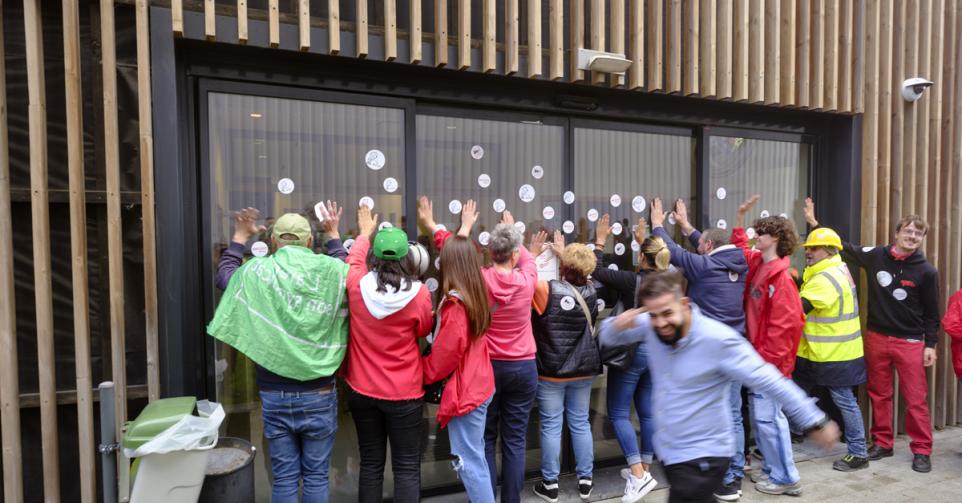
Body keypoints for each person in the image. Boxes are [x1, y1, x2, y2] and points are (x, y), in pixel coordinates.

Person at [598, 271, 840, 503]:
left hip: (704, 455)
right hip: (671, 451)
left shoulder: (717, 339)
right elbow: (607, 337)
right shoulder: (653, 324)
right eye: (653, 315)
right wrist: (618, 324)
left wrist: (814, 421)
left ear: (683, 303)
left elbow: (767, 378)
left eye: (666, 313)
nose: (661, 323)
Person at [208, 203, 349, 503]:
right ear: (310, 242)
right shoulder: (332, 270)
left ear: (273, 241)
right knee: (316, 476)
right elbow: (353, 276)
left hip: (275, 392)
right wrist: (335, 237)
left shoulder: (259, 271)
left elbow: (225, 278)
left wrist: (238, 237)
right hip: (320, 392)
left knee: (284, 479)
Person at [418, 197, 540, 503]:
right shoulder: (526, 280)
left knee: (483, 439)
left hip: (487, 367)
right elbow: (527, 260)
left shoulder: (479, 282)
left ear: (488, 253)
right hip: (523, 367)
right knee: (514, 440)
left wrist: (443, 227)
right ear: (512, 254)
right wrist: (512, 231)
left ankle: (483, 495)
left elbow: (460, 257)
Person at [805, 198, 940, 473]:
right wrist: (815, 225)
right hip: (877, 337)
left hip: (911, 342)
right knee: (879, 394)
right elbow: (844, 248)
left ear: (922, 238)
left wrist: (931, 344)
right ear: (897, 233)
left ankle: (922, 450)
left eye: (918, 233)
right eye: (908, 231)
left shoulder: (927, 271)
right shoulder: (876, 255)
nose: (912, 236)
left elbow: (932, 312)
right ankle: (882, 443)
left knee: (916, 399)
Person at [649, 197, 750, 500]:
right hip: (735, 345)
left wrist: (658, 224)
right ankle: (734, 475)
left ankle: (727, 480)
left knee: (721, 411)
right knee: (732, 412)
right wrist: (687, 226)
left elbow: (673, 251)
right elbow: (706, 245)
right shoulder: (740, 262)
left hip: (709, 351)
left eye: (701, 244)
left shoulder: (704, 266)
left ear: (706, 247)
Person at [343, 204, 434, 502]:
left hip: (362, 389)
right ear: (408, 259)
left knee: (371, 464)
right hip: (404, 393)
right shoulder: (419, 293)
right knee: (407, 467)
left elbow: (354, 260)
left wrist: (364, 233)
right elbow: (423, 330)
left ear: (375, 256)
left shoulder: (356, 285)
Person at [731, 197, 806, 496]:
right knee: (766, 419)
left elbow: (786, 328)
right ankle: (778, 472)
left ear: (774, 237)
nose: (755, 236)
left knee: (769, 420)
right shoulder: (760, 265)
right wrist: (739, 216)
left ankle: (786, 477)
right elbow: (740, 249)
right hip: (762, 361)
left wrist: (766, 365)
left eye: (760, 232)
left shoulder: (781, 279)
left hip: (768, 365)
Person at [592, 214, 668, 502]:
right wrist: (641, 244)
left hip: (632, 351)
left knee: (619, 413)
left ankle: (637, 474)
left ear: (644, 258)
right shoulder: (668, 281)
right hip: (656, 352)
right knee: (647, 412)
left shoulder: (631, 281)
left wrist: (600, 239)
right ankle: (646, 468)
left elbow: (596, 270)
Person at [421, 231, 496, 503]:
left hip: (467, 390)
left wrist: (421, 372)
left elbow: (445, 356)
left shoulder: (455, 303)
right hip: (480, 382)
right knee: (475, 456)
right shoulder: (476, 292)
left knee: (468, 460)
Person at [529, 230, 603, 502]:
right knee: (580, 422)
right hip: (583, 370)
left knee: (551, 425)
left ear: (565, 265)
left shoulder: (546, 290)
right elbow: (583, 276)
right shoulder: (593, 292)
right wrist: (568, 256)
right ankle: (585, 480)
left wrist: (533, 253)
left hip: (551, 371)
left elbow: (525, 278)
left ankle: (550, 485)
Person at [794, 225, 870, 472]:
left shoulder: (826, 278)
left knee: (843, 400)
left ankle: (858, 452)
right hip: (822, 349)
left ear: (828, 250)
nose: (809, 252)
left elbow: (798, 309)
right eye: (808, 248)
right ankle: (789, 435)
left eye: (813, 248)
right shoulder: (834, 268)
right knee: (796, 394)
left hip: (833, 352)